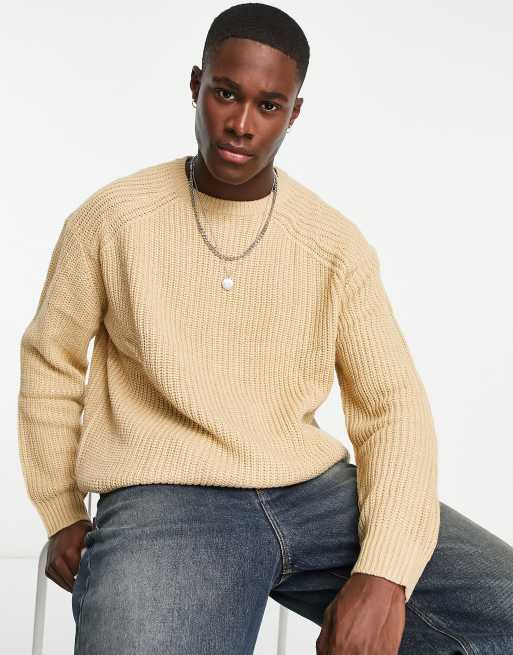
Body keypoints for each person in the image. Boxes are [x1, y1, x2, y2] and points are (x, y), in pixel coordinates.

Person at [17, 3, 513, 654]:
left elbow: (393, 407)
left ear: (293, 113)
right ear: (196, 86)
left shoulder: (332, 244)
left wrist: (384, 571)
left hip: (314, 494)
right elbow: (50, 358)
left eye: (268, 105)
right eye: (226, 93)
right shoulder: (111, 220)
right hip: (167, 497)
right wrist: (61, 509)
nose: (242, 124)